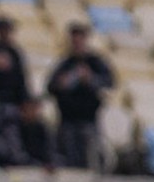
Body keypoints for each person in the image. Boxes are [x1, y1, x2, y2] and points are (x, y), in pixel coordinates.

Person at [46, 23, 115, 171]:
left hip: (88, 121)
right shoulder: (64, 64)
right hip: (67, 121)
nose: (77, 43)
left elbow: (109, 83)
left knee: (90, 160)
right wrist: (61, 84)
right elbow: (50, 87)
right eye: (74, 40)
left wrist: (90, 79)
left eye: (80, 39)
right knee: (69, 163)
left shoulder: (96, 62)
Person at [0, 17, 30, 108]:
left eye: (8, 30)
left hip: (13, 97)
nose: (6, 33)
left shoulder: (14, 52)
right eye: (3, 30)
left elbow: (20, 78)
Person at [17, 97, 57, 169]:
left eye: (34, 108)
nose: (32, 112)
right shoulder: (17, 127)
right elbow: (18, 152)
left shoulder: (41, 128)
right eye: (29, 108)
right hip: (23, 163)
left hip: (40, 163)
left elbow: (48, 149)